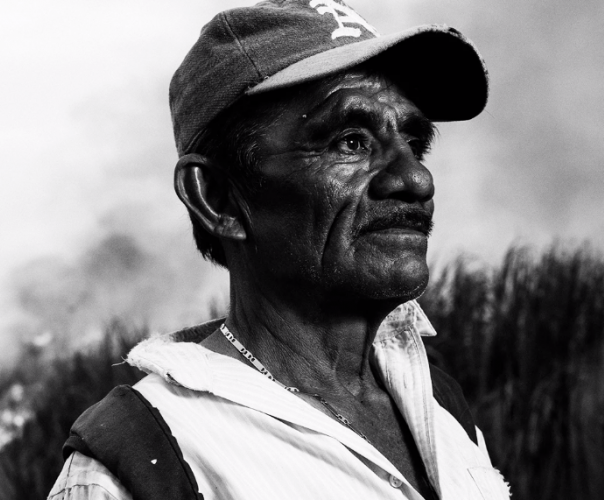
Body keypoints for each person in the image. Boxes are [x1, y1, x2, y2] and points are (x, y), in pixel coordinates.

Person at [48, 1, 509, 499]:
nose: (416, 178)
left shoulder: (437, 405)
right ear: (218, 197)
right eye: (350, 142)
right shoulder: (139, 461)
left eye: (416, 144)